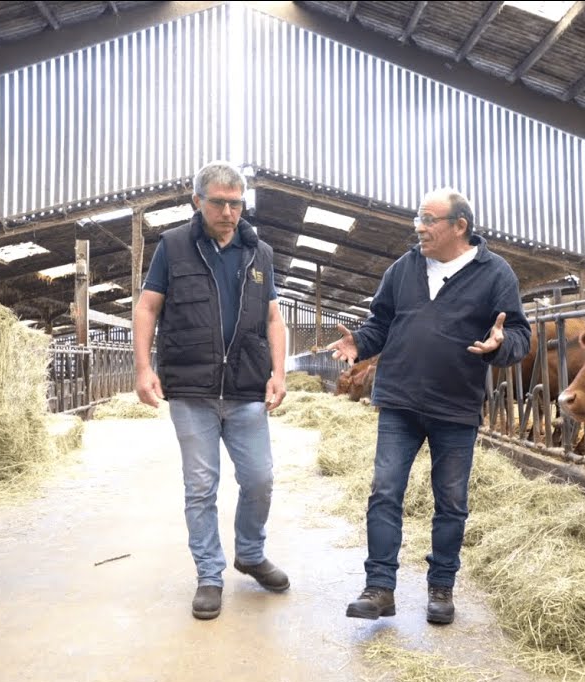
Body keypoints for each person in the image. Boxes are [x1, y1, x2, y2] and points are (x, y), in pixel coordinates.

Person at [325, 187, 531, 625]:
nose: (419, 227)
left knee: (451, 500)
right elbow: (380, 323)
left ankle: (441, 587)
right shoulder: (403, 268)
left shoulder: (495, 273)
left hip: (455, 405)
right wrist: (359, 343)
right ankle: (380, 588)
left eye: (429, 220)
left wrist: (500, 344)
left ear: (460, 226)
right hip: (399, 401)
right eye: (418, 219)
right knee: (385, 492)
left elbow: (519, 335)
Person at [133, 161, 290, 621]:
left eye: (236, 203)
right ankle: (209, 574)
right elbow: (147, 308)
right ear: (197, 200)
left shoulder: (259, 252)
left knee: (259, 479)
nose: (228, 212)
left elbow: (274, 318)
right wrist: (142, 369)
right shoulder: (173, 246)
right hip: (191, 389)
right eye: (218, 202)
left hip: (246, 387)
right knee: (201, 486)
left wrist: (279, 373)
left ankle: (251, 553)